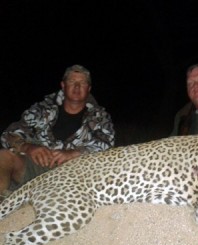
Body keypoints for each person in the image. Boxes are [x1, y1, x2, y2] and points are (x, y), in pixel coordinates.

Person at [0, 64, 115, 199]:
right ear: (63, 85)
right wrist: (29, 147)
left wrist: (74, 153)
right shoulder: (41, 110)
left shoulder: (100, 117)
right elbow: (8, 135)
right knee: (4, 156)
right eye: (72, 81)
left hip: (72, 175)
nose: (77, 87)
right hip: (37, 168)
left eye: (82, 83)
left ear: (88, 89)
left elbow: (108, 145)